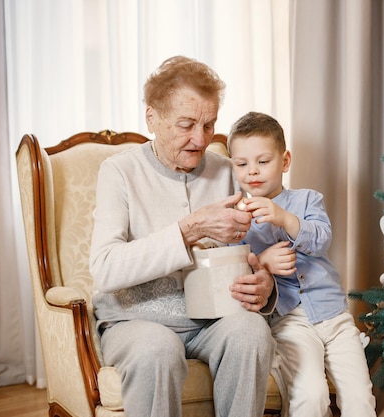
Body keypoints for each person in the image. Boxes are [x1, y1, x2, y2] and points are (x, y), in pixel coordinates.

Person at [89, 56, 277, 417]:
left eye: (209, 124)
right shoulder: (119, 172)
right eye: (187, 124)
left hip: (215, 319)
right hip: (135, 321)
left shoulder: (228, 169)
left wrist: (266, 285)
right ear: (152, 119)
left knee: (251, 331)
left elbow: (262, 249)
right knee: (156, 349)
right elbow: (105, 269)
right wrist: (190, 229)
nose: (201, 139)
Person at [227, 111, 377, 417]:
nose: (252, 172)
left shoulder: (308, 200)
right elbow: (234, 273)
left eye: (263, 161)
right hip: (290, 321)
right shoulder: (236, 217)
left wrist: (285, 219)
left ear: (284, 161)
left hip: (333, 316)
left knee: (360, 399)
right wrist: (263, 263)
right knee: (310, 395)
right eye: (242, 164)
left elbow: (321, 239)